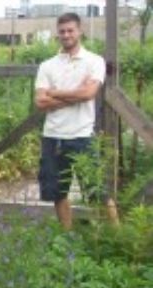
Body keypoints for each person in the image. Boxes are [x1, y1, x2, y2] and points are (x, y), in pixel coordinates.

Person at [34, 12, 119, 230]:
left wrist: (55, 93)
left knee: (97, 191)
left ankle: (117, 235)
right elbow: (40, 103)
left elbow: (89, 93)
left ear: (80, 31)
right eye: (62, 31)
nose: (66, 35)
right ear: (57, 33)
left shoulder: (94, 61)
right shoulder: (47, 65)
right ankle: (67, 237)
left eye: (70, 30)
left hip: (82, 135)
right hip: (53, 136)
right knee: (57, 192)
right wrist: (75, 94)